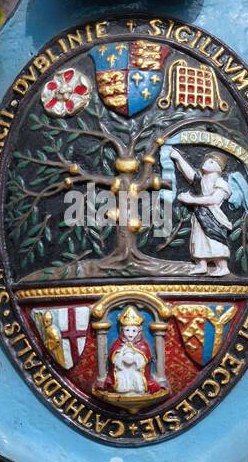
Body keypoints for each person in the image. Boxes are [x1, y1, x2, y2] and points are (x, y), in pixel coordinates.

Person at [169, 148, 232, 276]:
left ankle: (222, 266)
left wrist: (191, 199)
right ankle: (202, 265)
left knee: (214, 239)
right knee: (198, 239)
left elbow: (214, 199)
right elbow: (190, 174)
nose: (206, 162)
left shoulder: (220, 183)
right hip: (200, 215)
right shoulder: (202, 179)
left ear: (219, 168)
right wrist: (178, 158)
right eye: (207, 160)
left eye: (211, 162)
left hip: (213, 217)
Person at [99, 305, 163, 396]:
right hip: (123, 371)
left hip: (136, 370)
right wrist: (120, 358)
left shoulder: (142, 345)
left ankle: (137, 390)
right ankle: (122, 390)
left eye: (133, 331)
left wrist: (136, 358)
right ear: (122, 331)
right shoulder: (118, 343)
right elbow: (113, 357)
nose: (130, 333)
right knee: (123, 381)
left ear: (139, 331)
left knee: (136, 379)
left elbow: (146, 357)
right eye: (127, 330)